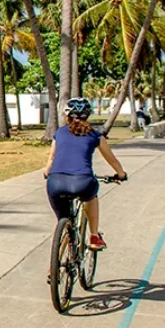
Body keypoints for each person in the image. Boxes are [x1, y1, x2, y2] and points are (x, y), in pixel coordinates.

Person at [42, 98, 127, 252]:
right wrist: (121, 174)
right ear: (87, 116)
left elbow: (51, 159)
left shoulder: (59, 133)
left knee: (64, 221)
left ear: (67, 116)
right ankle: (94, 235)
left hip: (55, 183)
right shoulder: (95, 135)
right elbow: (112, 159)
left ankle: (53, 270)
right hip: (83, 182)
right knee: (91, 196)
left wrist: (47, 172)